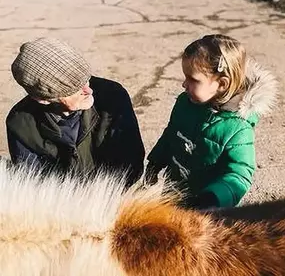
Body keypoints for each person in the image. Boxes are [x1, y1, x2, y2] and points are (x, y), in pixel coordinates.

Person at [144, 34, 278, 209]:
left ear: (222, 84)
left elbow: (239, 174)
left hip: (208, 212)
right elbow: (171, 133)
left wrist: (213, 199)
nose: (184, 84)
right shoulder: (185, 103)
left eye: (193, 80)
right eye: (185, 77)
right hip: (173, 195)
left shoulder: (238, 128)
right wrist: (155, 162)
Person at [6, 37, 145, 187]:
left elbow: (131, 163)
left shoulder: (112, 95)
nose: (89, 90)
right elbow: (34, 184)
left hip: (114, 195)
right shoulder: (20, 124)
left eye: (86, 80)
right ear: (44, 99)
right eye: (75, 90)